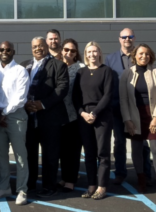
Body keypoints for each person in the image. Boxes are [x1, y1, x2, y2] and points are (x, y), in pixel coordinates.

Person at [21, 37, 69, 198]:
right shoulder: (25, 65)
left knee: (50, 154)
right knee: (30, 153)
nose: (37, 49)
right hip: (29, 118)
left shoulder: (59, 65)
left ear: (46, 46)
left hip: (50, 118)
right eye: (34, 46)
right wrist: (25, 103)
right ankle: (30, 184)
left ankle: (49, 186)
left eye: (40, 46)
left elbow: (61, 89)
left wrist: (42, 104)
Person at [119, 44, 156, 200]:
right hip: (135, 115)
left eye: (147, 54)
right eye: (140, 53)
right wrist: (127, 119)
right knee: (137, 150)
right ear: (135, 55)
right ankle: (141, 180)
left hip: (153, 115)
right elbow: (123, 99)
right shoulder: (127, 73)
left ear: (150, 56)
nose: (143, 56)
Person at [0, 41, 30, 206]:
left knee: (20, 156)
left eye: (8, 49)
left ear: (13, 51)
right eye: (1, 49)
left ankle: (22, 190)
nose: (4, 51)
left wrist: (4, 113)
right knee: (1, 156)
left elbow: (20, 97)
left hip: (15, 117)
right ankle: (4, 186)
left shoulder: (20, 70)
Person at [104, 28, 149, 184]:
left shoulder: (141, 56)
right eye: (124, 37)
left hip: (139, 107)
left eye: (130, 36)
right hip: (117, 108)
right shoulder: (110, 59)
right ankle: (120, 173)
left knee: (142, 142)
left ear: (134, 38)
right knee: (119, 142)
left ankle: (145, 173)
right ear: (119, 39)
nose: (127, 39)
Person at [72, 41, 113, 201]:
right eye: (89, 52)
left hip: (101, 116)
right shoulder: (80, 73)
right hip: (84, 118)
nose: (92, 54)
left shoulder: (106, 71)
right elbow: (75, 97)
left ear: (99, 53)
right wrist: (83, 113)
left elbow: (108, 95)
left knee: (102, 153)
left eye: (95, 51)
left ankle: (102, 186)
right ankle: (91, 185)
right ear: (85, 54)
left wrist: (94, 112)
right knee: (89, 153)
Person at [58, 38, 85, 193]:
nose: (69, 53)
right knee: (62, 150)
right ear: (62, 51)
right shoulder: (58, 66)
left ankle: (71, 180)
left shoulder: (81, 68)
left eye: (72, 51)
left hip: (75, 114)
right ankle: (64, 177)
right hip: (59, 115)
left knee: (73, 149)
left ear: (76, 53)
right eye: (66, 50)